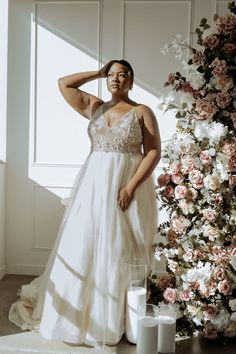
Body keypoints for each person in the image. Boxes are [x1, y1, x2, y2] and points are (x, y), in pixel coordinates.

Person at [9, 59, 161, 348]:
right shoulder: (95, 107)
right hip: (93, 185)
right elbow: (64, 83)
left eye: (123, 74)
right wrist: (97, 72)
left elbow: (153, 152)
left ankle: (112, 320)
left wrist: (130, 186)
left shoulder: (142, 112)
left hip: (125, 183)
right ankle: (73, 318)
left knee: (119, 247)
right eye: (112, 74)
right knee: (83, 244)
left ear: (132, 80)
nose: (117, 79)